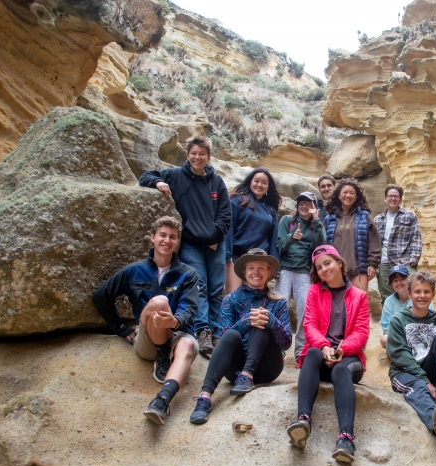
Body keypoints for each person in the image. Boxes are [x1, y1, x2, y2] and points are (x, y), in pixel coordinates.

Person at [92, 216, 199, 426]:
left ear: (177, 242)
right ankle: (161, 355)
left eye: (172, 237)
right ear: (152, 238)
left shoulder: (188, 274)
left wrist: (175, 321)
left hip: (178, 333)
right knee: (159, 301)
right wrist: (121, 329)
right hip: (148, 339)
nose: (167, 240)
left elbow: (190, 308)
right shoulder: (134, 270)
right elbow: (100, 296)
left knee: (187, 343)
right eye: (163, 235)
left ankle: (162, 400)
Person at [139, 136, 231, 358]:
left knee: (217, 289)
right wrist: (157, 183)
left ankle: (217, 332)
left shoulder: (216, 181)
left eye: (202, 154)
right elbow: (145, 176)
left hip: (214, 244)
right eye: (193, 153)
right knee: (198, 286)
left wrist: (212, 235)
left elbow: (225, 216)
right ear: (188, 154)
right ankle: (203, 331)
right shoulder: (175, 176)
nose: (197, 157)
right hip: (190, 243)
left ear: (208, 157)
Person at [286, 245, 370, 464]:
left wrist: (343, 349)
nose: (324, 269)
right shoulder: (314, 291)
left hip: (349, 358)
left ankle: (346, 437)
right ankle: (303, 420)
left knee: (342, 368)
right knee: (311, 353)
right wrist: (324, 346)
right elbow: (310, 325)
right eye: (319, 267)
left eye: (327, 263)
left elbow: (361, 332)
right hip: (322, 356)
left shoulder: (360, 296)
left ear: (339, 263)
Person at [189, 249, 292, 424]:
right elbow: (226, 337)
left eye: (261, 268)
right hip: (235, 368)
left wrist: (271, 320)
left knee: (263, 323)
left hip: (268, 366)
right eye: (251, 268)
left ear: (268, 272)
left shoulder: (279, 301)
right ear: (244, 272)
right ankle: (205, 396)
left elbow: (286, 343)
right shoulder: (231, 299)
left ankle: (248, 375)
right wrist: (247, 320)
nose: (256, 273)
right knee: (233, 333)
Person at [388, 271, 436, 447]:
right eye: (417, 292)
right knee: (419, 388)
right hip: (404, 373)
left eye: (426, 292)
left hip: (430, 370)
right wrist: (424, 379)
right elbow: (399, 354)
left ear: (433, 295)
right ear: (409, 294)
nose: (422, 296)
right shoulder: (399, 320)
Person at [276, 191, 326, 357]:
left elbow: (320, 248)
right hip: (284, 269)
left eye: (308, 203)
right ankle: (279, 348)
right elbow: (280, 245)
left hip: (303, 271)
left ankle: (300, 350)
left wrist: (317, 221)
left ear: (314, 207)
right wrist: (292, 237)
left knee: (305, 309)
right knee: (280, 306)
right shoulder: (287, 221)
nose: (304, 206)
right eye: (301, 203)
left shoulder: (315, 226)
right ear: (297, 206)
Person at [225, 168, 281, 294]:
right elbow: (228, 228)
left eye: (264, 182)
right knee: (233, 297)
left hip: (258, 259)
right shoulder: (238, 200)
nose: (259, 185)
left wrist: (274, 264)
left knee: (253, 299)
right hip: (236, 257)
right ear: (250, 181)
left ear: (268, 186)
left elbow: (273, 239)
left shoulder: (271, 210)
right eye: (256, 181)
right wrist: (226, 255)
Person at [324, 178, 382, 291]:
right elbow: (323, 244)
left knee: (358, 305)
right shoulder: (329, 219)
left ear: (356, 197)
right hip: (335, 270)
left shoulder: (365, 217)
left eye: (352, 193)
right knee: (336, 306)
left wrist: (372, 264)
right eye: (345, 192)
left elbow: (374, 242)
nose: (348, 195)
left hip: (358, 269)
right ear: (339, 195)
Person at [373, 184, 423, 301]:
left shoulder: (409, 216)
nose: (393, 199)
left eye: (396, 196)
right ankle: (389, 319)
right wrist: (374, 263)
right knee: (386, 295)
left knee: (411, 291)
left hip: (404, 260)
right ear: (385, 198)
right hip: (384, 262)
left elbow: (416, 238)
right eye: (390, 196)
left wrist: (414, 259)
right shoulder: (377, 219)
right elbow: (374, 243)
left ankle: (410, 318)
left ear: (400, 199)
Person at [380, 265, 434, 349]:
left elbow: (430, 319)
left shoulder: (419, 296)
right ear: (391, 284)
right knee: (384, 339)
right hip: (399, 337)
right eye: (395, 280)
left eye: (402, 279)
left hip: (420, 334)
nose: (399, 283)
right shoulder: (389, 301)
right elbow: (387, 328)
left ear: (409, 281)